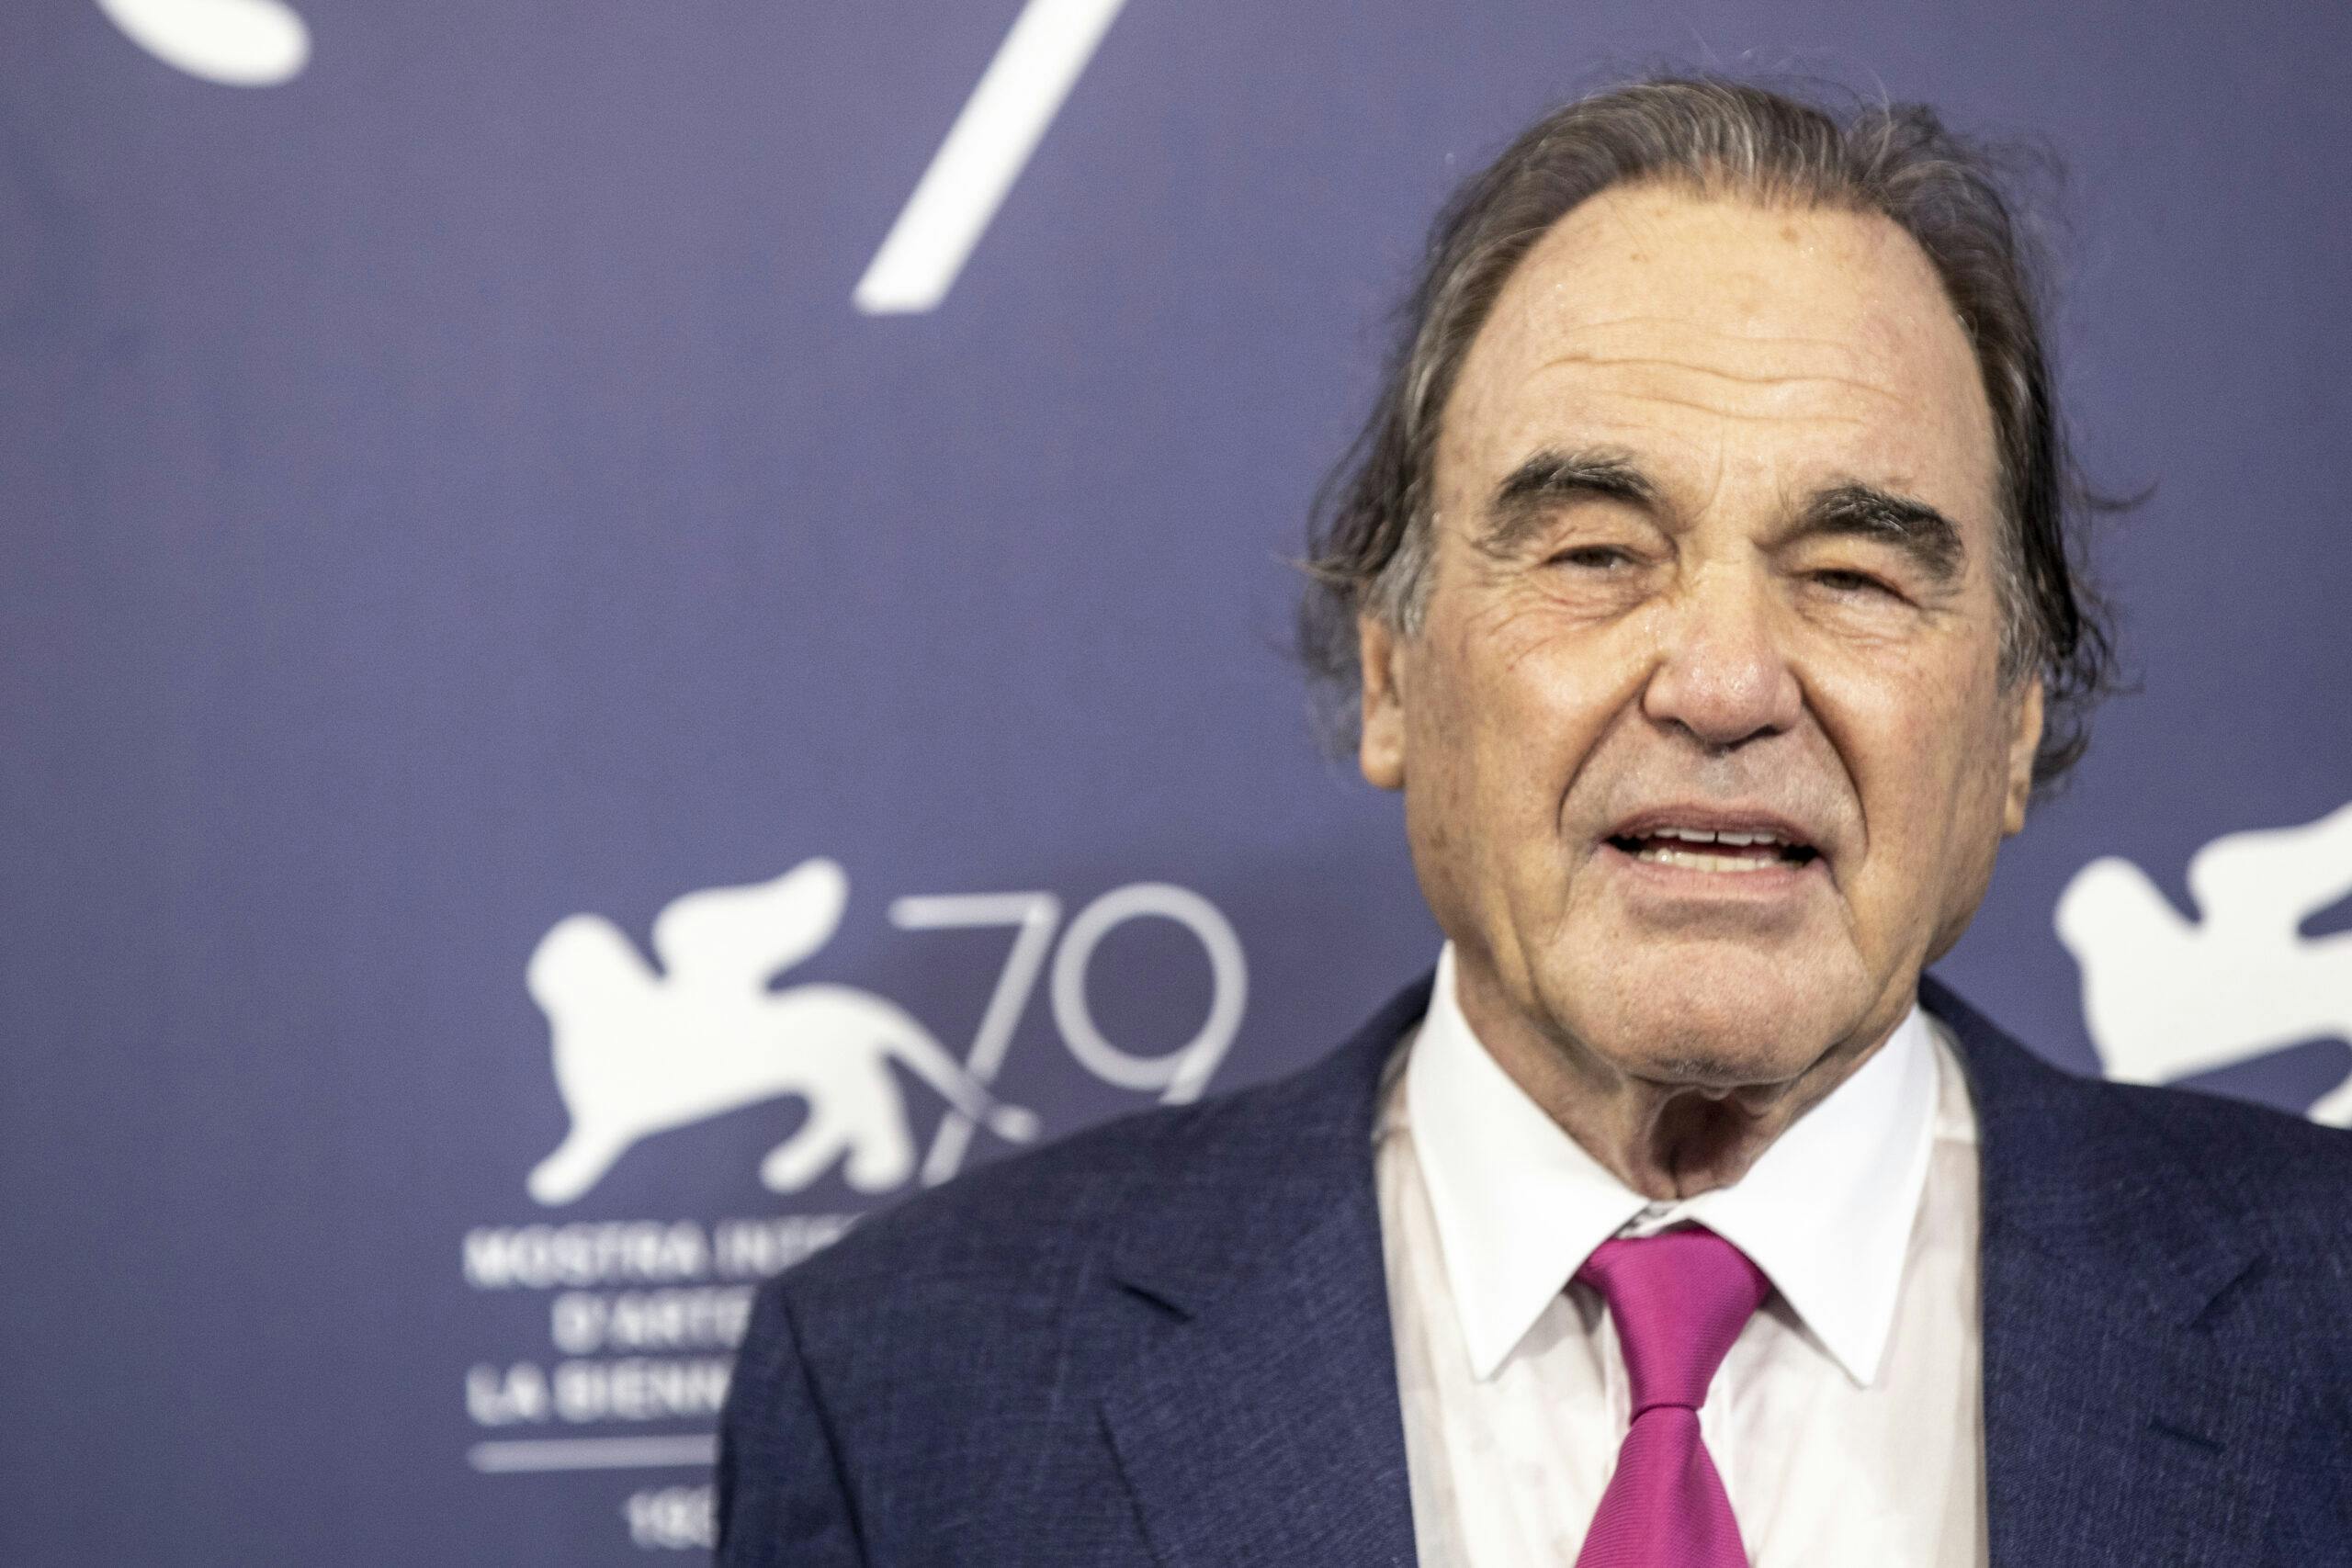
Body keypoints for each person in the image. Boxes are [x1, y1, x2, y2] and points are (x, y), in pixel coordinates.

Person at [714, 76, 2352, 1566]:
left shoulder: (2322, 1318)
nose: (1724, 683)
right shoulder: (913, 1392)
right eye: (1596, 556)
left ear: (2012, 723)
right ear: (1391, 677)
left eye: (1854, 574)